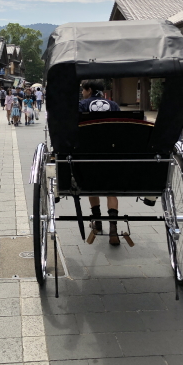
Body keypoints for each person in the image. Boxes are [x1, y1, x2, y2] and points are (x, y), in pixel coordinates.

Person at [79, 79, 121, 245]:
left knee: (92, 186)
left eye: (83, 90)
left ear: (89, 90)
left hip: (89, 154)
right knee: (111, 191)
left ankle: (97, 223)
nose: (82, 93)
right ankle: (113, 231)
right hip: (110, 153)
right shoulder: (114, 105)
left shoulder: (82, 105)